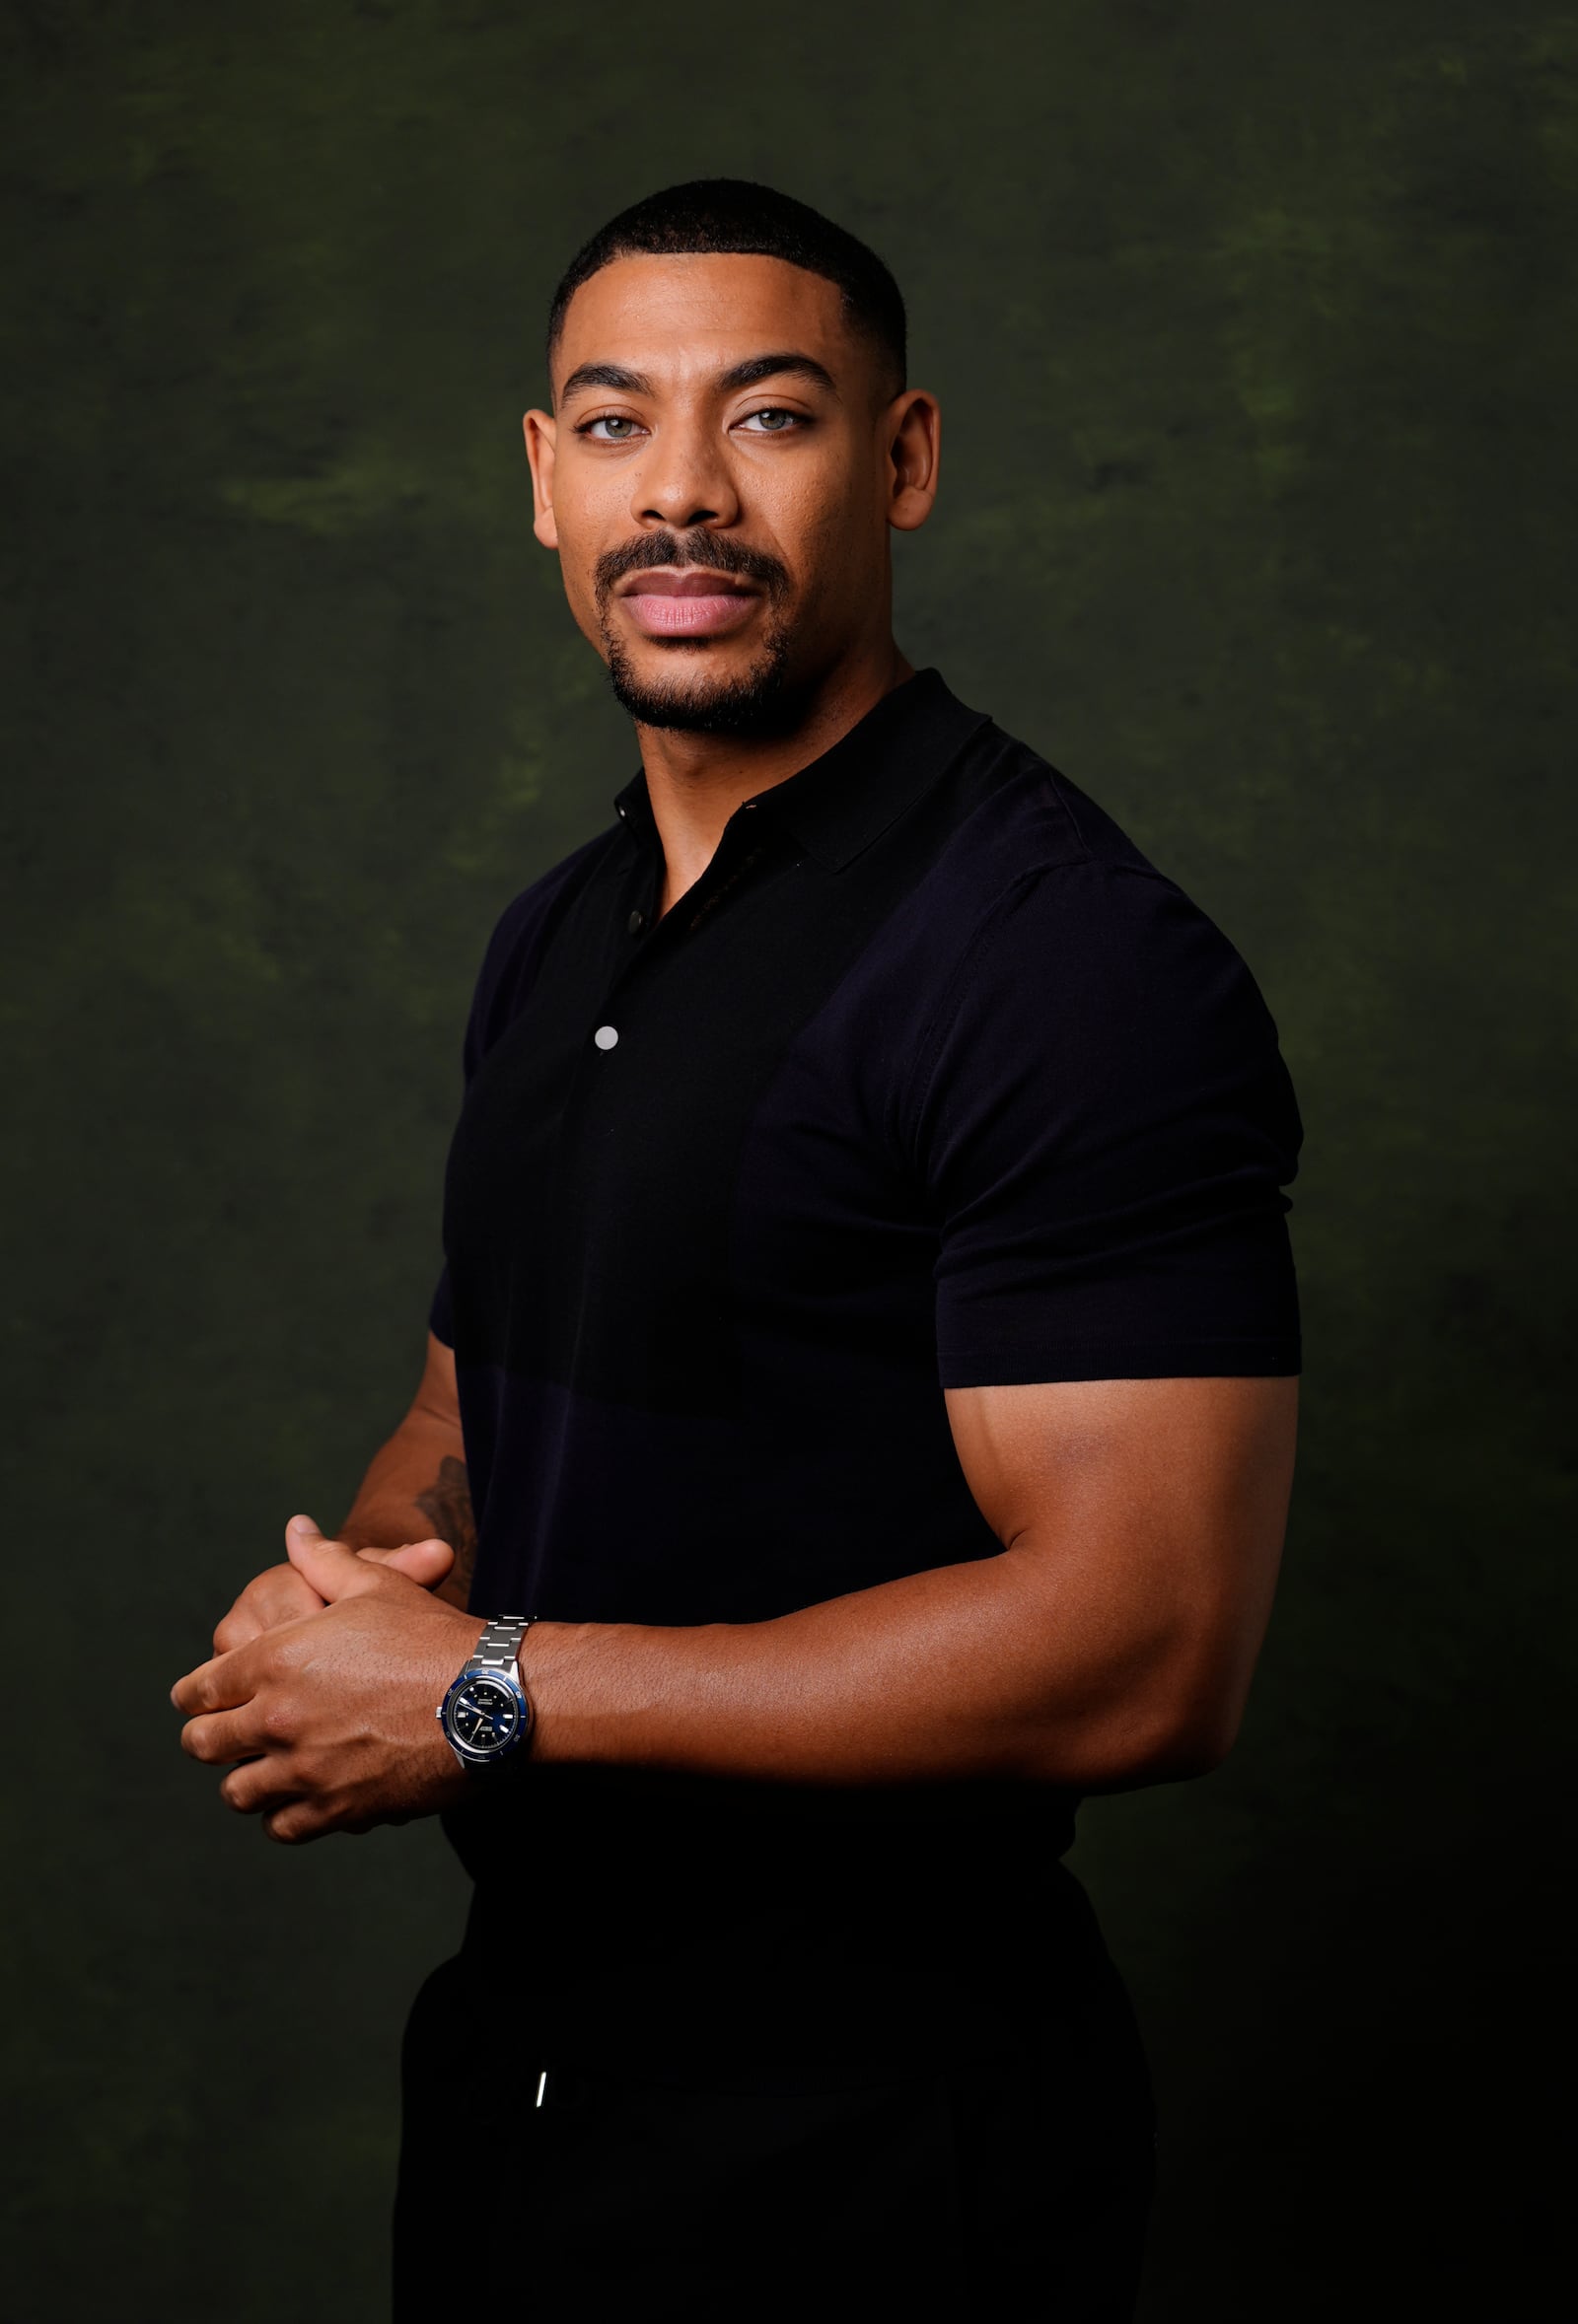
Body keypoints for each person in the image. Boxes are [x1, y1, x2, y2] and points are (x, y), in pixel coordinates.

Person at [172, 178, 1302, 2320]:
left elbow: (1149, 1644)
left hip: (873, 2153)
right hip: (521, 2084)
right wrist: (375, 1594)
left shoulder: (1059, 961)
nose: (676, 493)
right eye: (612, 427)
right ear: (536, 479)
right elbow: (469, 1387)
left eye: (765, 420)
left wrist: (484, 1697)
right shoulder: (556, 932)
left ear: (902, 461)